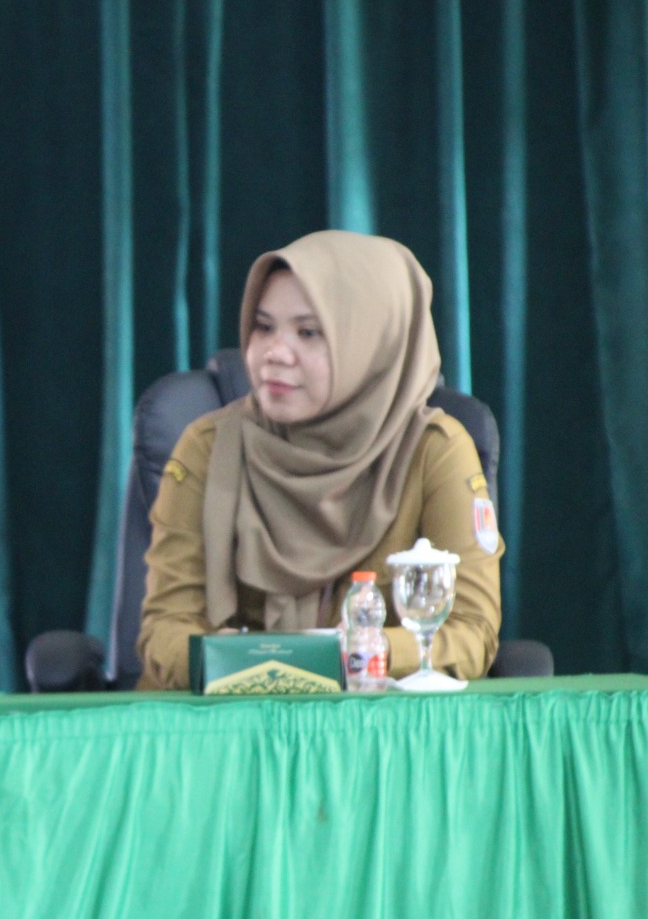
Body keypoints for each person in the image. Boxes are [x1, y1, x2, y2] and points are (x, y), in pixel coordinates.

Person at [137, 230, 503, 689]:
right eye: (263, 327)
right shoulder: (208, 447)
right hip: (228, 717)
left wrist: (367, 653)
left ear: (371, 345)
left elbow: (471, 632)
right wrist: (240, 664)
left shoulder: (434, 452)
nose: (274, 353)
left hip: (375, 723)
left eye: (308, 333)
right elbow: (165, 629)